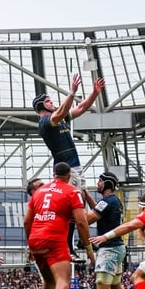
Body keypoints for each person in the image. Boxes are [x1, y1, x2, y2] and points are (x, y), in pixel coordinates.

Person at [32, 73, 105, 258]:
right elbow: (61, 111)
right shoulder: (45, 122)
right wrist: (72, 91)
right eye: (48, 101)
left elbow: (81, 108)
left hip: (75, 167)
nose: (52, 103)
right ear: (42, 106)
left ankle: (77, 242)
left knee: (78, 208)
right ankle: (68, 246)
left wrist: (94, 94)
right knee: (73, 208)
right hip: (67, 169)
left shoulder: (59, 117)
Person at [24, 162, 95, 289]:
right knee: (63, 279)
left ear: (53, 174)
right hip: (54, 239)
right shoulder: (72, 192)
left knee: (49, 282)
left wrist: (31, 245)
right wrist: (89, 250)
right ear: (69, 176)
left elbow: (27, 221)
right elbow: (81, 223)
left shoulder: (38, 192)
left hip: (36, 239)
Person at [81, 171, 141, 289]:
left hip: (109, 249)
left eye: (100, 181)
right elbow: (98, 209)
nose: (97, 184)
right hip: (118, 247)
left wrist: (77, 209)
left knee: (102, 287)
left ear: (107, 183)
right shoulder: (113, 201)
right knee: (116, 286)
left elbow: (88, 219)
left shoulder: (107, 201)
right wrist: (86, 195)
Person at [22, 177, 47, 289]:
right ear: (33, 191)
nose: (45, 187)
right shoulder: (36, 205)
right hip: (42, 247)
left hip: (42, 246)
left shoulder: (40, 204)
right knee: (52, 285)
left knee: (51, 285)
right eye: (41, 185)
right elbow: (27, 223)